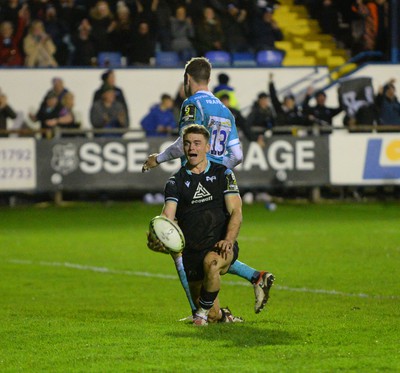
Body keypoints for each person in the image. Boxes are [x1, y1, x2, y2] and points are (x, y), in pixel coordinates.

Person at [142, 57, 274, 315]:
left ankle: (199, 312)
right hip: (216, 183)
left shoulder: (191, 104)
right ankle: (254, 279)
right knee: (207, 249)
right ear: (209, 79)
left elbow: (184, 143)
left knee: (179, 247)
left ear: (187, 79)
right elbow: (237, 156)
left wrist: (157, 159)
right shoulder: (226, 111)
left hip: (193, 184)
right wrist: (216, 170)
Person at [148, 125, 272, 325]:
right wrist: (159, 234)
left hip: (219, 246)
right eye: (187, 144)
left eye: (197, 143)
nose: (191, 148)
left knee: (212, 264)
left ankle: (201, 315)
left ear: (207, 147)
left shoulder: (223, 174)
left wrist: (228, 240)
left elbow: (236, 211)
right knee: (214, 316)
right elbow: (168, 215)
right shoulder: (175, 182)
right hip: (191, 252)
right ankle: (221, 315)